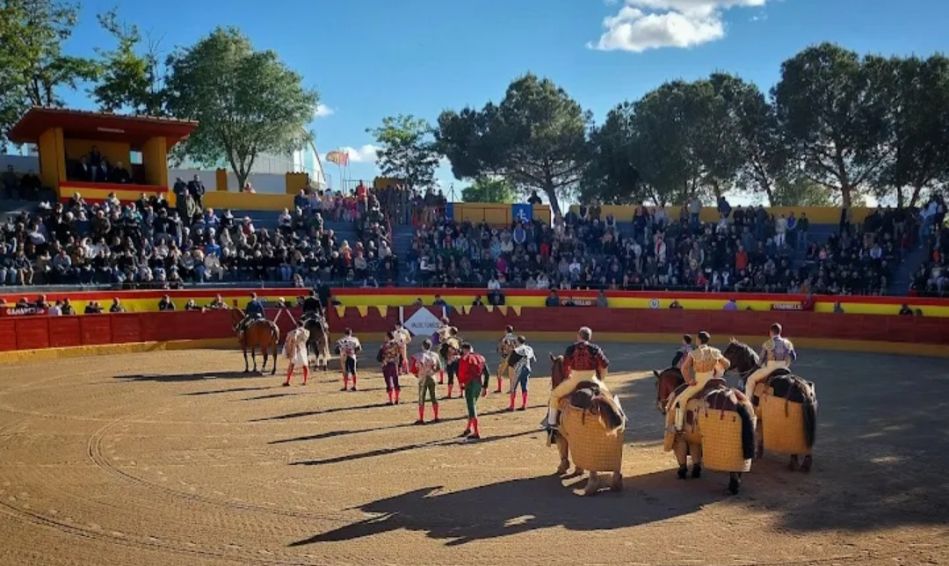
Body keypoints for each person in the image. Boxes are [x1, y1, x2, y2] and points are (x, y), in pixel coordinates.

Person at [545, 327, 611, 432]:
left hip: (575, 379)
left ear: (578, 336)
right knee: (609, 396)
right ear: (589, 337)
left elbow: (565, 366)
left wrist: (567, 377)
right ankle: (618, 418)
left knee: (554, 395)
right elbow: (605, 365)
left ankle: (552, 423)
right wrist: (601, 380)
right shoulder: (595, 349)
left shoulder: (571, 349)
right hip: (592, 379)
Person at [668, 331, 730, 432]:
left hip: (700, 382)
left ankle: (678, 426)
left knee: (680, 400)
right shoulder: (715, 352)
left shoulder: (694, 353)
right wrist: (717, 368)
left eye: (697, 338)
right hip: (714, 380)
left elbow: (684, 368)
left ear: (698, 340)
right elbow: (727, 364)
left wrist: (689, 380)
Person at [743, 323, 797, 406]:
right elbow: (793, 357)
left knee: (750, 380)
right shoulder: (788, 343)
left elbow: (761, 360)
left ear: (771, 332)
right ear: (780, 332)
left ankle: (748, 404)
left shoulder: (768, 343)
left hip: (771, 368)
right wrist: (786, 362)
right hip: (784, 368)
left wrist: (756, 367)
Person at [457, 342, 490, 441]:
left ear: (465, 350)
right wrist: (485, 387)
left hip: (470, 384)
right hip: (478, 384)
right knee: (473, 405)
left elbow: (461, 373)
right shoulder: (481, 357)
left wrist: (461, 384)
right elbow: (487, 373)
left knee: (472, 408)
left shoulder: (464, 359)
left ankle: (476, 432)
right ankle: (468, 429)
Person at [411, 339, 442, 425]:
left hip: (422, 379)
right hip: (432, 378)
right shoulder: (435, 355)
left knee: (421, 398)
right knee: (434, 397)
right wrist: (432, 373)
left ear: (422, 346)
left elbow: (414, 368)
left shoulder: (418, 356)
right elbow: (439, 368)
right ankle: (436, 417)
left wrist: (417, 375)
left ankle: (421, 419)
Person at [507, 335, 535, 411]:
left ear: (518, 341)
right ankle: (524, 404)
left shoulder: (516, 350)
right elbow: (533, 360)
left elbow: (510, 362)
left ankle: (512, 406)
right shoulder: (529, 349)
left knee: (513, 387)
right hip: (527, 369)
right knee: (524, 386)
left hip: (518, 370)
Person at [378, 331, 403, 405]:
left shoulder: (384, 346)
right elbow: (400, 356)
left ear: (388, 337)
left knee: (388, 382)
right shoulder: (397, 344)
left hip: (387, 365)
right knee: (396, 381)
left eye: (386, 336)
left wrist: (383, 361)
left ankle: (391, 400)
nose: (385, 338)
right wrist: (399, 365)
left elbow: (379, 357)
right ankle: (397, 399)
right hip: (394, 364)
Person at [282, 320, 310, 386]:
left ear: (297, 325)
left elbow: (295, 333)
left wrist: (293, 339)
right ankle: (305, 381)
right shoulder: (307, 332)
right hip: (303, 349)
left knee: (291, 365)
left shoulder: (297, 330)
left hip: (296, 349)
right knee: (305, 365)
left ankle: (288, 381)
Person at [441, 327, 462, 398]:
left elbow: (443, 351)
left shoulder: (447, 341)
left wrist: (446, 358)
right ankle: (462, 393)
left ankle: (449, 394)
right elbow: (462, 351)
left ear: (450, 332)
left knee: (450, 377)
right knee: (459, 376)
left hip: (450, 359)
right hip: (458, 359)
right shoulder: (459, 340)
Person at [496, 325, 518, 393]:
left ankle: (499, 389)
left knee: (499, 373)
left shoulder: (504, 338)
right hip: (514, 357)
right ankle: (512, 389)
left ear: (506, 331)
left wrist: (501, 352)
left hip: (506, 357)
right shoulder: (515, 338)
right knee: (511, 374)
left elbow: (500, 348)